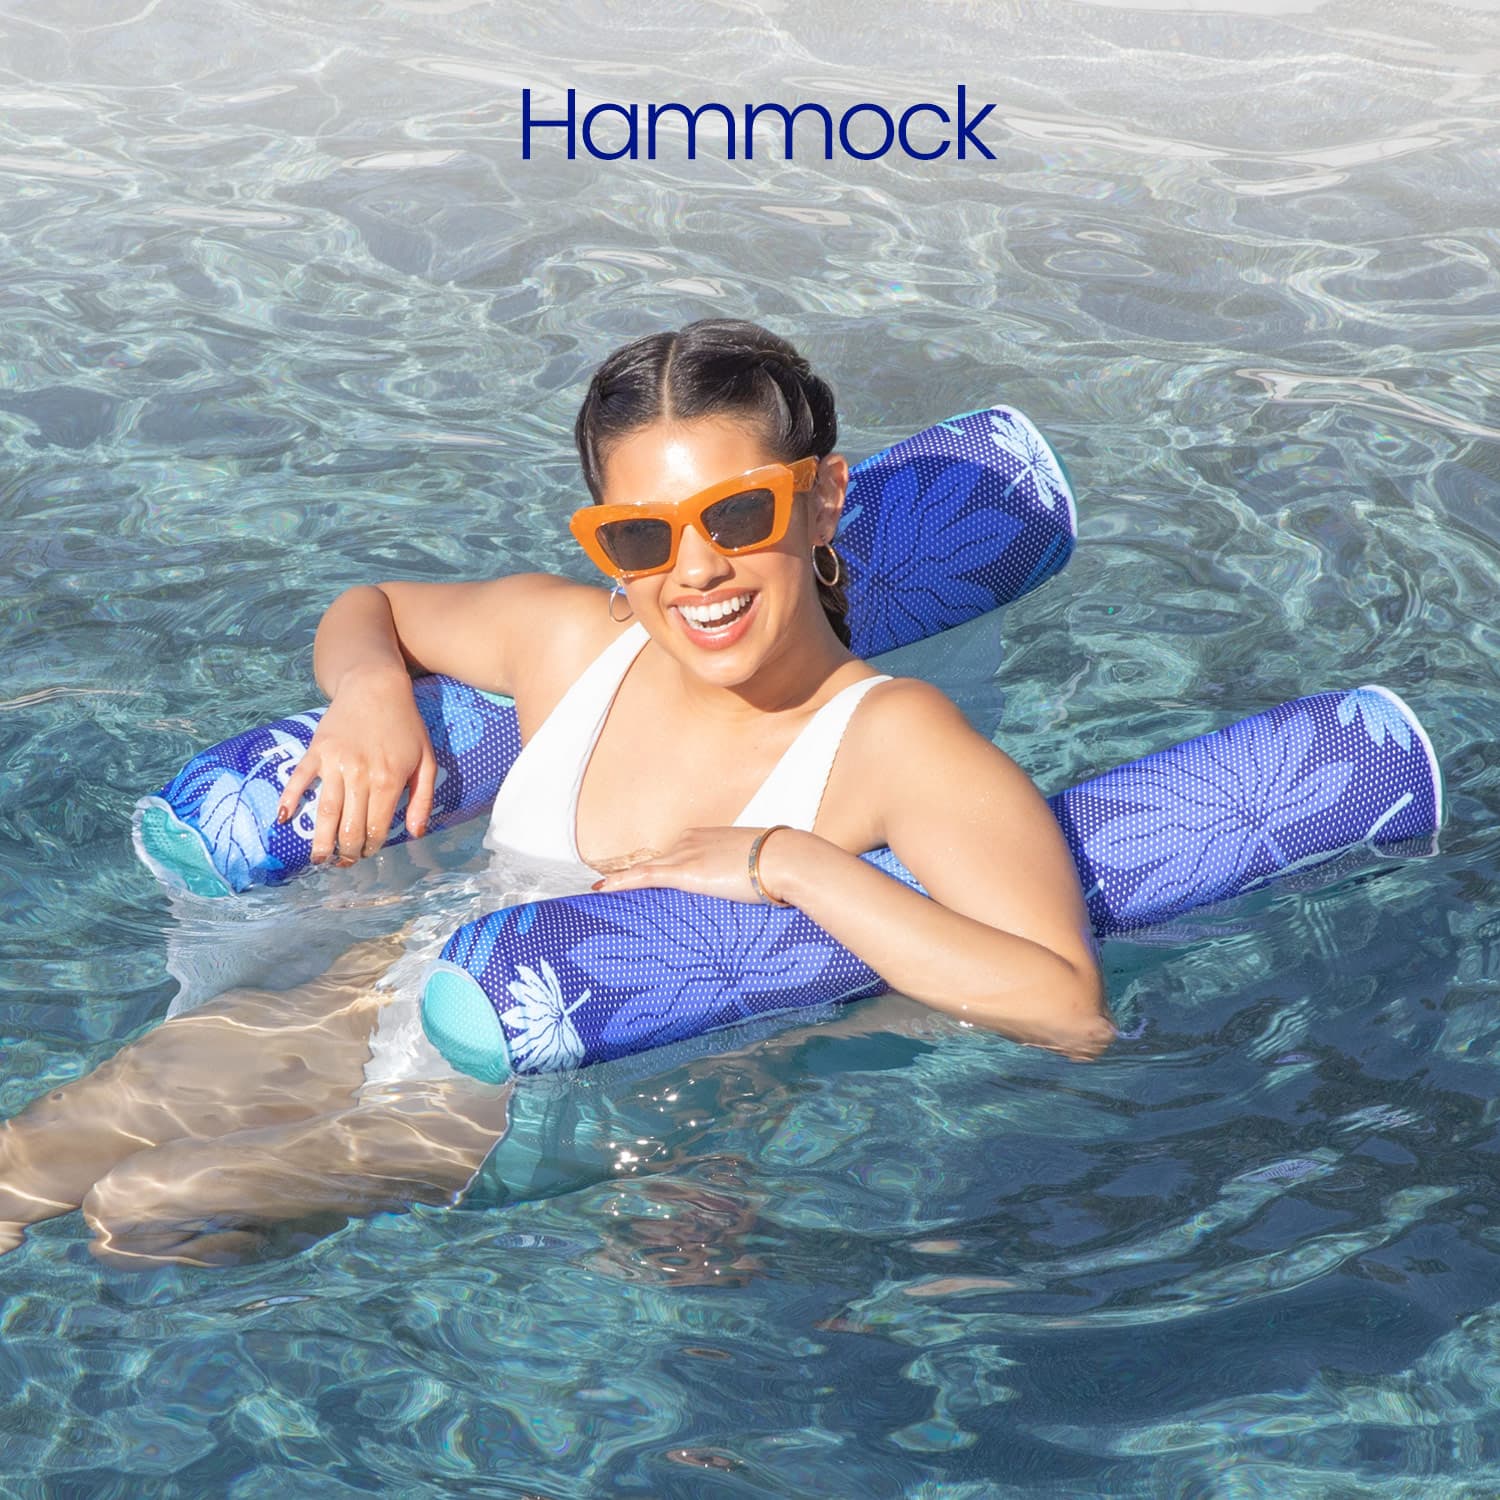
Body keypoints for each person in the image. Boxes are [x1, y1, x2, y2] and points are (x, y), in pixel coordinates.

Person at [0, 319, 1114, 1267]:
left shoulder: (891, 742)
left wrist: (790, 863)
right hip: (374, 996)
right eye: (642, 535)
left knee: (145, 1207)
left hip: (553, 1104)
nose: (696, 572)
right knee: (19, 1166)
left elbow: (1066, 1007)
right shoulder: (573, 645)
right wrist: (373, 695)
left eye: (738, 516)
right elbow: (369, 603)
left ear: (824, 501)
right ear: (606, 551)